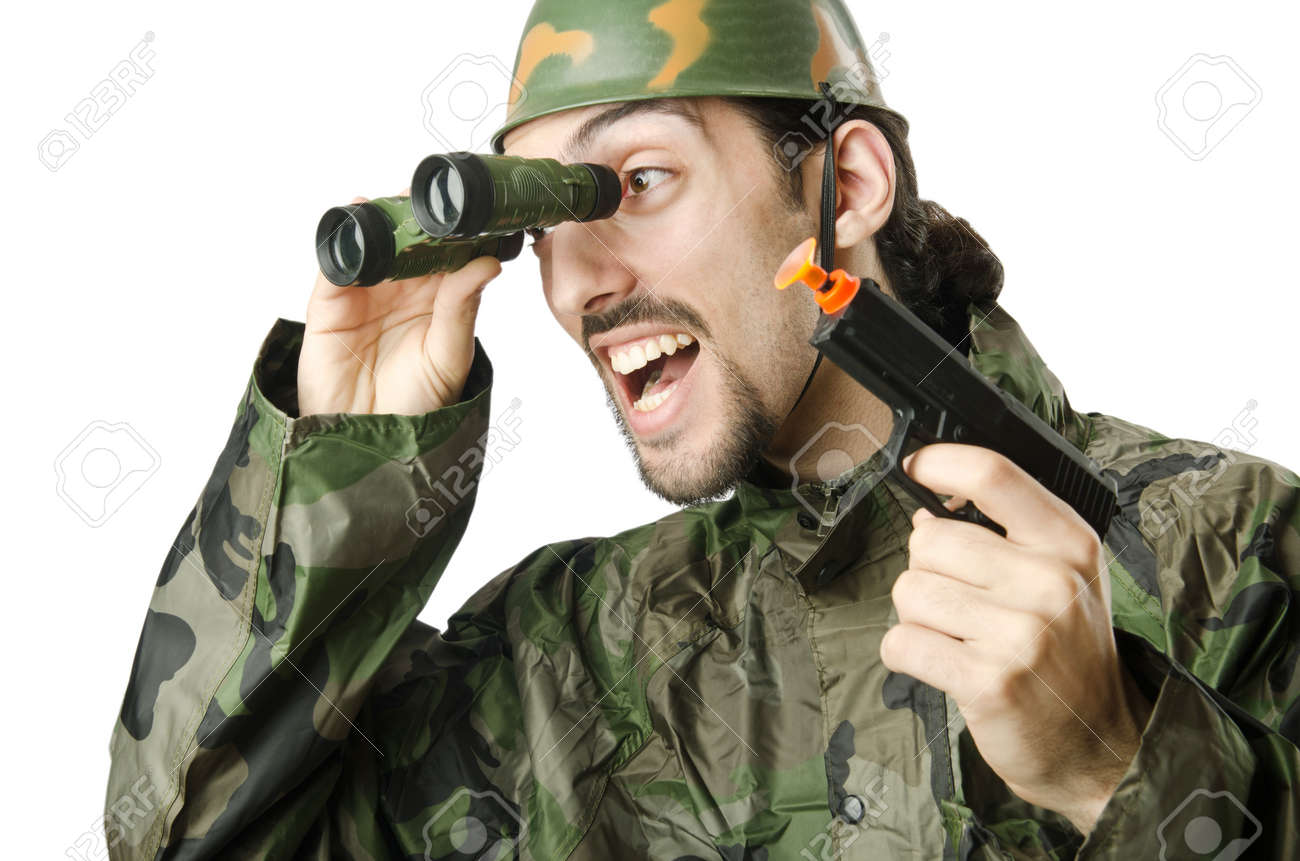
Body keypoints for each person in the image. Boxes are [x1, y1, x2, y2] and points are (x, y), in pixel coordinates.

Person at [105, 1, 1300, 858]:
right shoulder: (567, 654)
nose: (581, 284)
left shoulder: (1230, 543)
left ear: (848, 184)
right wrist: (343, 472)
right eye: (546, 222)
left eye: (638, 181)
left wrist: (1117, 761)